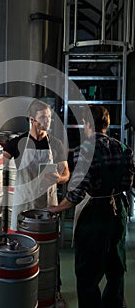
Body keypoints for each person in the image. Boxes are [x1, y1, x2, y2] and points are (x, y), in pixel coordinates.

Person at [47, 105, 135, 308]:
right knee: (116, 268)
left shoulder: (83, 151)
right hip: (118, 211)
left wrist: (57, 208)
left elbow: (77, 193)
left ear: (87, 124)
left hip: (95, 214)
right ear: (107, 124)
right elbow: (128, 183)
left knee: (87, 273)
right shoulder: (124, 149)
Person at [3, 99, 70, 303]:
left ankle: (53, 290)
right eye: (43, 117)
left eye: (49, 117)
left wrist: (57, 178)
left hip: (46, 204)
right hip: (23, 204)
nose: (48, 121)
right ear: (32, 119)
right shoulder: (16, 143)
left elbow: (66, 173)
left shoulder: (56, 144)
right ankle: (21, 290)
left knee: (50, 250)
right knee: (20, 247)